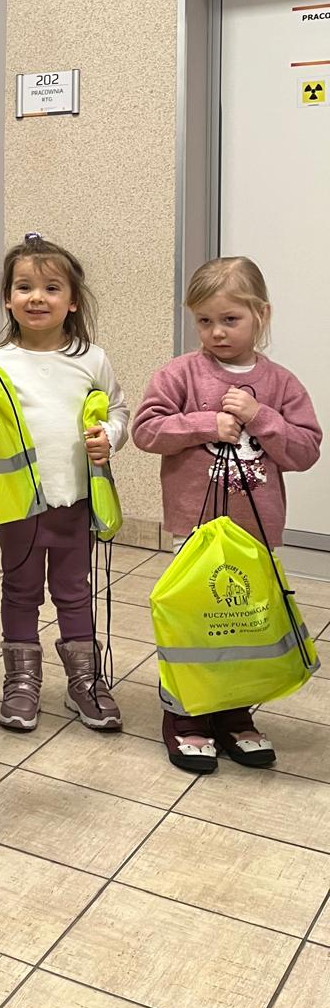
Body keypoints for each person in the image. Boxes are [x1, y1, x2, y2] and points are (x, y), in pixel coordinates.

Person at [133, 255, 321, 773]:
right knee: (194, 624)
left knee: (245, 624)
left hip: (256, 533)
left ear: (262, 314)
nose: (216, 332)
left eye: (230, 319)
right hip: (194, 531)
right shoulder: (180, 374)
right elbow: (146, 430)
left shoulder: (281, 383)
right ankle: (186, 715)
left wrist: (261, 417)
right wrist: (204, 424)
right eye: (204, 320)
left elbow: (305, 451)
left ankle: (234, 710)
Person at [0, 234, 129, 734]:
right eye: (24, 287)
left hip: (75, 500)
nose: (37, 297)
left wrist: (109, 436)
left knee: (74, 590)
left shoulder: (92, 359)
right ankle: (21, 681)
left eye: (51, 288)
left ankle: (85, 680)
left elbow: (119, 410)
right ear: (8, 298)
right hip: (17, 503)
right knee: (20, 589)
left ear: (71, 301)